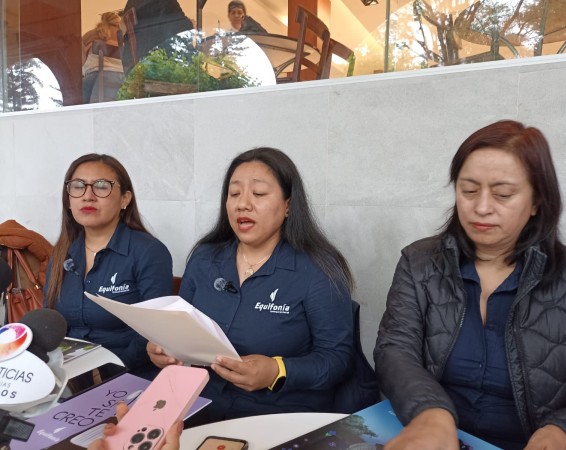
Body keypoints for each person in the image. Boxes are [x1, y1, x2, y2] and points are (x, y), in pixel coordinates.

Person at [374, 120, 566, 450]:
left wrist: (562, 432)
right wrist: (430, 414)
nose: (481, 208)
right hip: (432, 436)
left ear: (537, 201)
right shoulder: (419, 261)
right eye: (468, 190)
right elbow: (395, 350)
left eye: (502, 194)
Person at [148, 147, 354, 423]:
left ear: (288, 205)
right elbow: (180, 327)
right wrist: (164, 349)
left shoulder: (319, 269)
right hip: (200, 403)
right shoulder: (205, 258)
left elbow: (337, 359)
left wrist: (276, 371)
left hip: (278, 414)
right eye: (234, 194)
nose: (242, 204)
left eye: (258, 194)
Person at [45, 153, 173, 380]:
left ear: (125, 199)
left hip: (131, 375)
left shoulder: (149, 252)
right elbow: (51, 322)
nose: (88, 196)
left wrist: (111, 369)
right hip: (69, 376)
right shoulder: (62, 252)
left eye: (101, 187)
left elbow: (154, 331)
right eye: (78, 186)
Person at [81, 12, 124, 103]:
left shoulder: (91, 35)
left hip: (96, 76)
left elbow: (79, 62)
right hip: (122, 79)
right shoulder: (124, 36)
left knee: (75, 100)